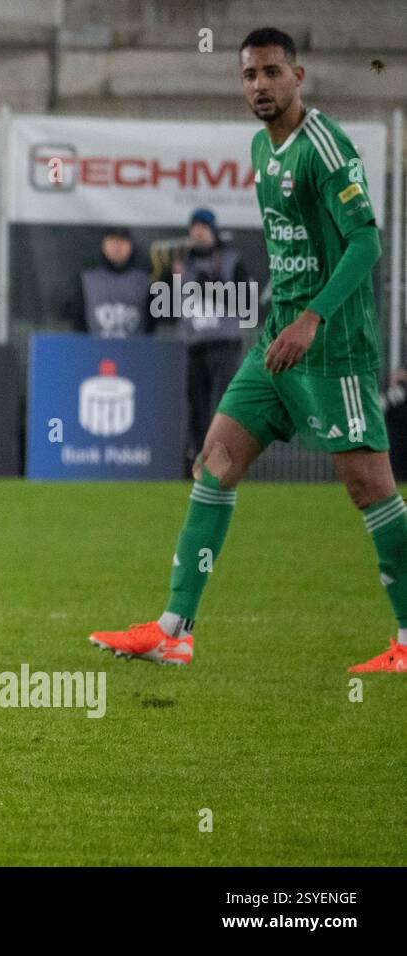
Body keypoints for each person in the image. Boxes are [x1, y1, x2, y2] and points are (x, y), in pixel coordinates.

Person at [88, 28, 402, 673]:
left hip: (331, 344)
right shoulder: (262, 148)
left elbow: (365, 244)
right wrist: (283, 317)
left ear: (298, 76)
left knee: (370, 489)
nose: (259, 85)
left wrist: (312, 318)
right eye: (249, 75)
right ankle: (176, 630)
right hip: (275, 340)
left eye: (270, 72)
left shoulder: (325, 145)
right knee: (216, 461)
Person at [158, 207, 250, 467]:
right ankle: (198, 459)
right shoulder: (181, 264)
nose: (198, 233)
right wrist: (168, 278)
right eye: (194, 228)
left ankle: (226, 460)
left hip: (225, 342)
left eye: (204, 228)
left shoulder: (231, 260)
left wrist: (206, 286)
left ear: (214, 232)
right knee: (196, 407)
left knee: (226, 405)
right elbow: (164, 308)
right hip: (194, 344)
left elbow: (246, 303)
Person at [63, 225, 154, 338]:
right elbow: (78, 324)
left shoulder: (145, 280)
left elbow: (151, 326)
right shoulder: (86, 279)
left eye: (122, 241)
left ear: (131, 245)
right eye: (112, 241)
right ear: (103, 244)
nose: (117, 247)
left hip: (136, 352)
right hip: (95, 351)